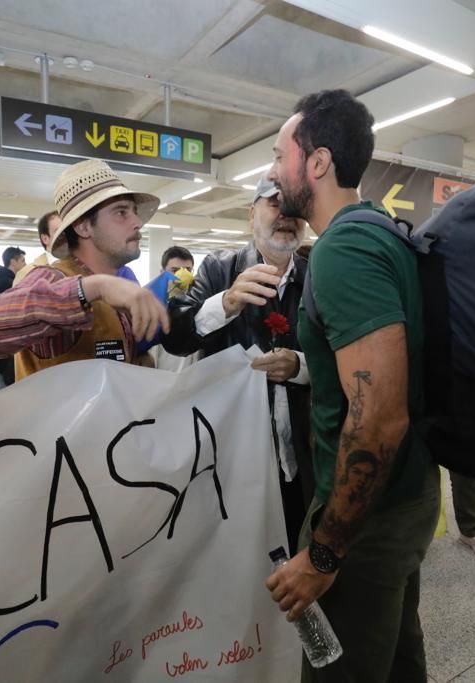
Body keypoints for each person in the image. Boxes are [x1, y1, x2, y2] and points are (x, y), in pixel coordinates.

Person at [262, 89, 439, 682]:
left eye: (279, 154)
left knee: (343, 667)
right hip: (404, 491)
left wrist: (324, 550)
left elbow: (378, 416)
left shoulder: (344, 247)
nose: (271, 170)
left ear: (317, 162)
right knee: (395, 654)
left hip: (366, 516)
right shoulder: (382, 231)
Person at [165, 179, 312, 550]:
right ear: (252, 215)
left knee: (296, 542)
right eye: (275, 205)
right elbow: (177, 339)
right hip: (232, 451)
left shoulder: (315, 275)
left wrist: (300, 366)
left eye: (295, 208)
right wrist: (226, 303)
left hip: (300, 450)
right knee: (234, 550)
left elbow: (339, 357)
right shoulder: (219, 269)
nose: (286, 216)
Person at [0, 159, 168, 377]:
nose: (137, 221)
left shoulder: (114, 292)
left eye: (134, 211)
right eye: (121, 212)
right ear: (83, 226)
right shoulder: (54, 278)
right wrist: (93, 288)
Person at [149, 246, 199, 372]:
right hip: (161, 373)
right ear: (162, 273)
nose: (181, 275)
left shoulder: (198, 302)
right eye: (175, 270)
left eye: (187, 270)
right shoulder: (152, 302)